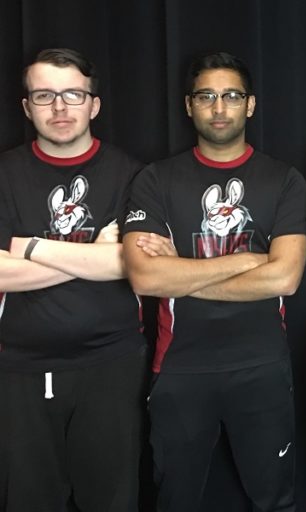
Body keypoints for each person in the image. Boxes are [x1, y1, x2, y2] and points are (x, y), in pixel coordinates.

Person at [122, 52, 306, 512]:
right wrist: (247, 260)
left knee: (275, 501)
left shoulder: (283, 179)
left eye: (231, 96)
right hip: (181, 369)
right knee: (175, 501)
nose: (219, 107)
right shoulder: (155, 180)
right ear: (189, 105)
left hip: (262, 367)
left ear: (250, 104)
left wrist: (180, 274)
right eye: (206, 96)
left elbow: (285, 276)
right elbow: (145, 277)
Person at [0, 48, 148, 512]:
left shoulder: (131, 175)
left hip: (112, 364)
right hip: (20, 369)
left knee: (111, 501)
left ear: (94, 104)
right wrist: (92, 254)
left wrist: (28, 246)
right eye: (44, 95)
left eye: (73, 95)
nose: (60, 107)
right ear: (27, 107)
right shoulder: (4, 174)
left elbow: (129, 264)